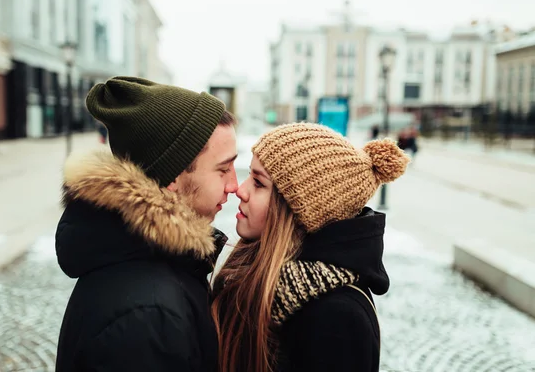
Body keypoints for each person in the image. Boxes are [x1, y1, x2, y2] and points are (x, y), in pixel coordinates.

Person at [55, 77, 238, 372]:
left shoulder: (148, 259)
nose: (235, 185)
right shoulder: (149, 315)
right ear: (173, 178)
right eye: (223, 169)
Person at [212, 122, 410, 372]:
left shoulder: (336, 316)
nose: (241, 190)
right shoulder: (256, 269)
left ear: (299, 211)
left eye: (259, 183)